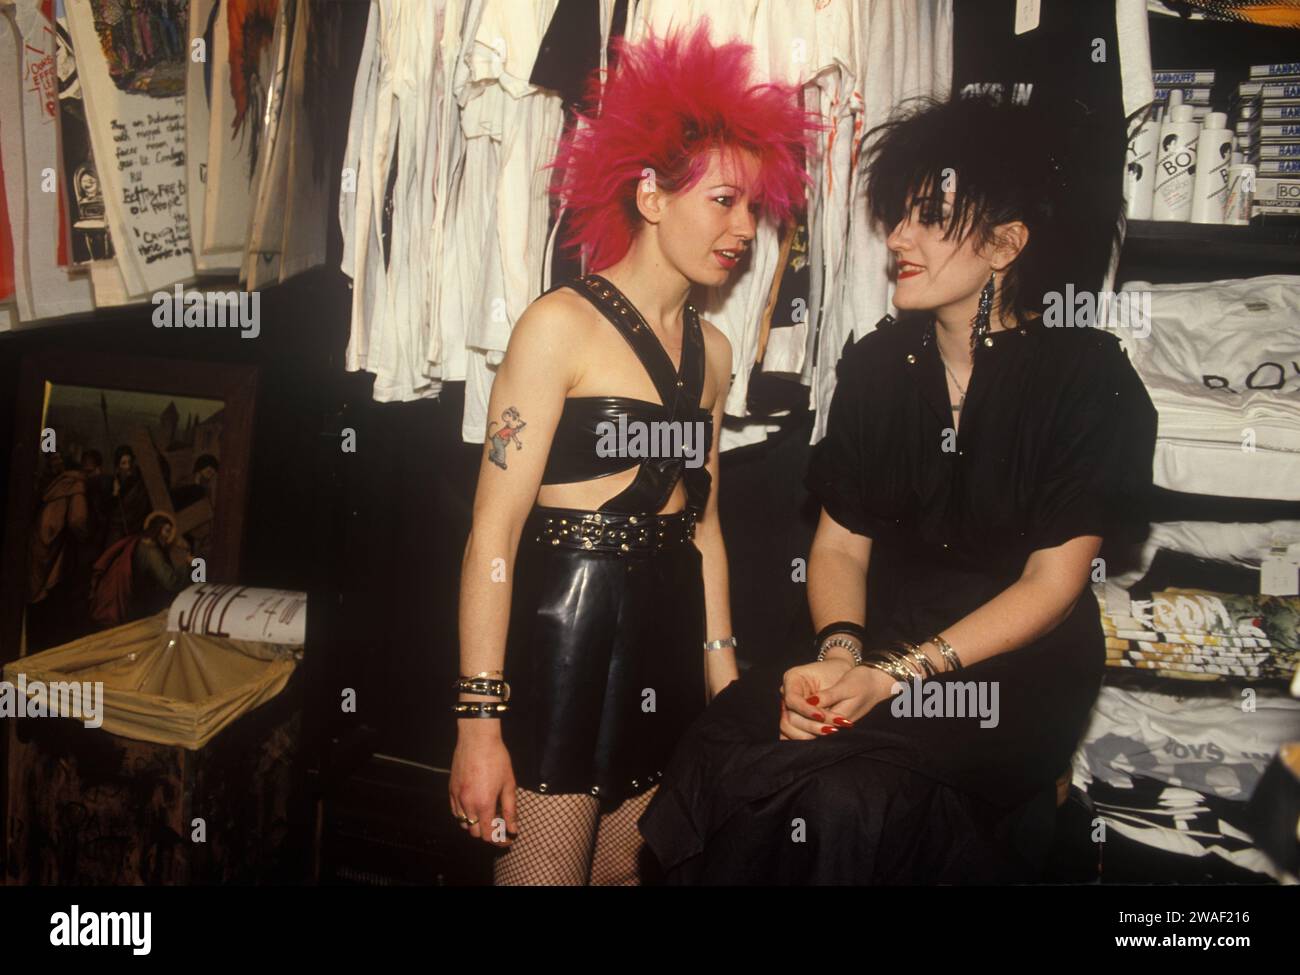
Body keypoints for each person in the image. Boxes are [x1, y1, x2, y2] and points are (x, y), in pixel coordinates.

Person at [638, 94, 1159, 884]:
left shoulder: (1088, 380)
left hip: (1011, 668)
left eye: (928, 217)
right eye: (899, 214)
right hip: (881, 637)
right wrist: (843, 653)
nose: (898, 238)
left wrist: (894, 676)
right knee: (729, 738)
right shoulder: (878, 367)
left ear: (1006, 243)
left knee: (844, 795)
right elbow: (841, 544)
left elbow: (1053, 585)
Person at [448, 22, 819, 886]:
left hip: (664, 642)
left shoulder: (716, 353)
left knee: (623, 878)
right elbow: (492, 537)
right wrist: (477, 722)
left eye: (753, 209)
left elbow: (706, 527)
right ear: (651, 195)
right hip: (561, 639)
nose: (741, 229)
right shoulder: (557, 326)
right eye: (722, 201)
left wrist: (723, 686)